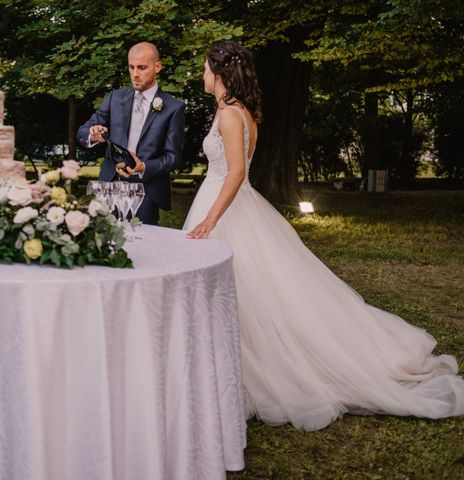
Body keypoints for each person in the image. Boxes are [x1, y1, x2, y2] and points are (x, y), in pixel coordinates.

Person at [183, 40, 464, 431]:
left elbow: (234, 174)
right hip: (235, 205)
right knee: (253, 291)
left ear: (218, 71)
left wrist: (211, 220)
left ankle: (251, 366)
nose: (201, 74)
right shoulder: (240, 111)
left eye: (204, 67)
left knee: (244, 292)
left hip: (225, 208)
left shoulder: (231, 115)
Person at [77, 42, 185, 225]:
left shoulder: (173, 108)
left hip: (146, 192)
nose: (135, 74)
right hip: (109, 187)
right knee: (105, 246)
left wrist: (143, 166)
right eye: (131, 67)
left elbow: (173, 157)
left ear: (157, 66)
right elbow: (83, 131)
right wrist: (93, 135)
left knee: (141, 247)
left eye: (142, 68)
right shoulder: (115, 98)